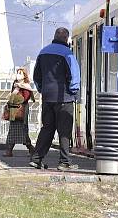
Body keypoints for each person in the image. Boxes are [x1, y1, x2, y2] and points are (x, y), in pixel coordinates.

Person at [30, 27, 81, 172]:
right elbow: (74, 76)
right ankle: (64, 162)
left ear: (54, 36)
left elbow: (36, 76)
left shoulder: (43, 52)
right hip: (64, 97)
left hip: (47, 98)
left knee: (47, 128)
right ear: (66, 39)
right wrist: (73, 91)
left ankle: (36, 159)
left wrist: (43, 90)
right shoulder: (68, 54)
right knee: (64, 131)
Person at [4, 67, 36, 158]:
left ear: (24, 75)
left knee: (22, 130)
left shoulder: (26, 86)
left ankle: (30, 148)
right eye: (18, 73)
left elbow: (25, 98)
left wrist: (15, 98)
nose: (18, 75)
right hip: (14, 109)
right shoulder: (15, 85)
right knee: (13, 130)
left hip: (22, 109)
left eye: (21, 73)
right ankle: (9, 150)